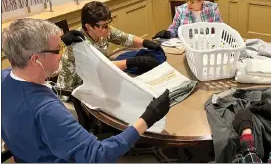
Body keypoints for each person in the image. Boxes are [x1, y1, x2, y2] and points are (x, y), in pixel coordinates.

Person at [1, 18, 170, 163]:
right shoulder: (47, 110)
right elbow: (97, 155)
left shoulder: (5, 77)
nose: (61, 54)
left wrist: (63, 42)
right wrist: (147, 118)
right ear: (36, 59)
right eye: (57, 50)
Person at [58, 1, 162, 90]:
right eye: (104, 26)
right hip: (74, 90)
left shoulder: (102, 31)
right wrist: (133, 62)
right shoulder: (79, 43)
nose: (108, 28)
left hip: (96, 80)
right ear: (89, 26)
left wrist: (146, 43)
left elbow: (125, 38)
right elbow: (101, 67)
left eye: (108, 24)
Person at [153, 0, 223, 39]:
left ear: (202, 0)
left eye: (192, 1)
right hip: (186, 47)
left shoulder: (212, 8)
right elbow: (174, 29)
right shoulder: (181, 10)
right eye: (187, 0)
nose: (188, 4)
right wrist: (167, 33)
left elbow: (220, 29)